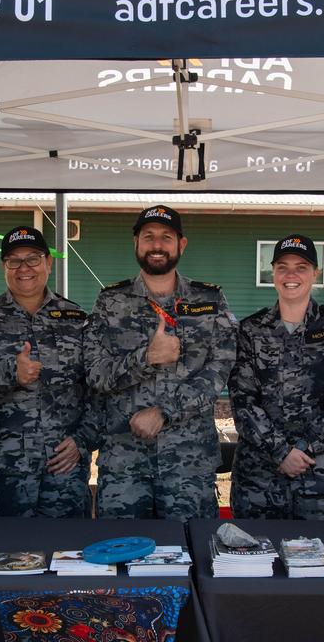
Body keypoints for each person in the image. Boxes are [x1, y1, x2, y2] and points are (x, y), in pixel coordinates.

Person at [85, 205, 237, 521]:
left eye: (166, 237)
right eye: (148, 237)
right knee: (121, 556)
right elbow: (95, 373)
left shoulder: (209, 300)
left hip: (188, 463)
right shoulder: (110, 301)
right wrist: (147, 358)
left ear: (181, 244)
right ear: (136, 243)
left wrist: (165, 412)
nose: (157, 245)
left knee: (190, 556)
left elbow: (220, 370)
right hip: (124, 463)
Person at [0, 226, 99, 517]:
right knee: (1, 556)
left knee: (66, 554)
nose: (24, 268)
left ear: (48, 263)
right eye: (14, 260)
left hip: (63, 473)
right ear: (4, 267)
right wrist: (10, 374)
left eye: (33, 259)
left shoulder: (75, 319)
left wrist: (82, 441)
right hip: (3, 473)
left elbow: (98, 392)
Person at [229, 234, 324, 519]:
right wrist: (280, 452)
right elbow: (243, 402)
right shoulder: (251, 330)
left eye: (301, 267)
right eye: (283, 267)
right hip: (260, 483)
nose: (291, 275)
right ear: (273, 273)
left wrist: (304, 449)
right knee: (256, 559)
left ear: (315, 273)